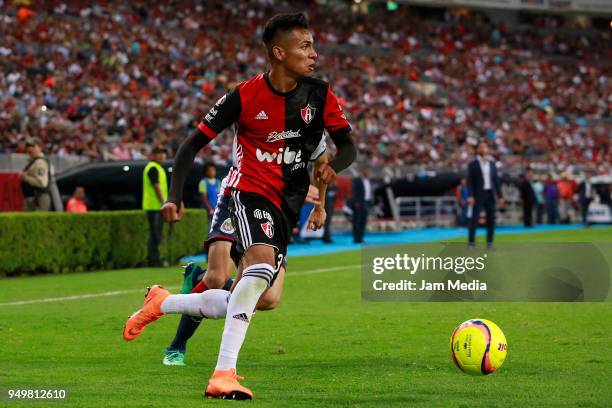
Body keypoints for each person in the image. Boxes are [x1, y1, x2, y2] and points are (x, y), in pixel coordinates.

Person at [123, 13, 356, 400]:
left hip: (286, 207)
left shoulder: (320, 95)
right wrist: (174, 196)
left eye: (313, 45)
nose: (314, 54)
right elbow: (190, 146)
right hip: (246, 192)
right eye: (305, 46)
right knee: (253, 268)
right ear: (278, 53)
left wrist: (333, 166)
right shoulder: (244, 96)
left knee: (264, 298)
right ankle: (222, 373)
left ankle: (164, 302)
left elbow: (347, 145)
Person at [163, 147, 328, 367]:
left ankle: (196, 278)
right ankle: (177, 346)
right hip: (239, 195)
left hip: (273, 210)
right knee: (216, 278)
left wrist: (319, 204)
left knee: (268, 300)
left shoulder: (311, 126)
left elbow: (325, 163)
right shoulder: (262, 117)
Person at [467, 140, 503, 249]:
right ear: (477, 149)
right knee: (474, 218)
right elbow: (470, 181)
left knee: (491, 219)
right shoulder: (473, 164)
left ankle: (490, 242)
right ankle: (471, 242)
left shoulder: (491, 163)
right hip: (478, 194)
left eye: (485, 146)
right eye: (481, 147)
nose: (483, 149)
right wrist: (470, 195)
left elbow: (496, 180)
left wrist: (500, 196)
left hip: (490, 193)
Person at [142, 147, 168, 267]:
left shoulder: (158, 168)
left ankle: (153, 259)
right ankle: (154, 261)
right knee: (155, 235)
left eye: (163, 154)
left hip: (156, 207)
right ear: (153, 155)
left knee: (155, 234)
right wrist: (163, 202)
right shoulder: (153, 168)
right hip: (154, 207)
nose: (162, 156)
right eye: (159, 154)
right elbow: (156, 186)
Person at [19, 137, 51, 211]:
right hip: (33, 198)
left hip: (38, 199)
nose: (30, 149)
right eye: (28, 146)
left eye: (33, 146)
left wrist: (25, 177)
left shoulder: (40, 162)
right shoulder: (34, 161)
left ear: (40, 147)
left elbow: (41, 183)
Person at [350, 166, 372, 243]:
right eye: (366, 170)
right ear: (362, 171)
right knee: (357, 221)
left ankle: (361, 237)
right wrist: (356, 202)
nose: (367, 172)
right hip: (359, 203)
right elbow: (354, 192)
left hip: (366, 203)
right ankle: (356, 238)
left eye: (368, 170)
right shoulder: (357, 180)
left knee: (363, 221)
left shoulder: (368, 180)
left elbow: (369, 192)